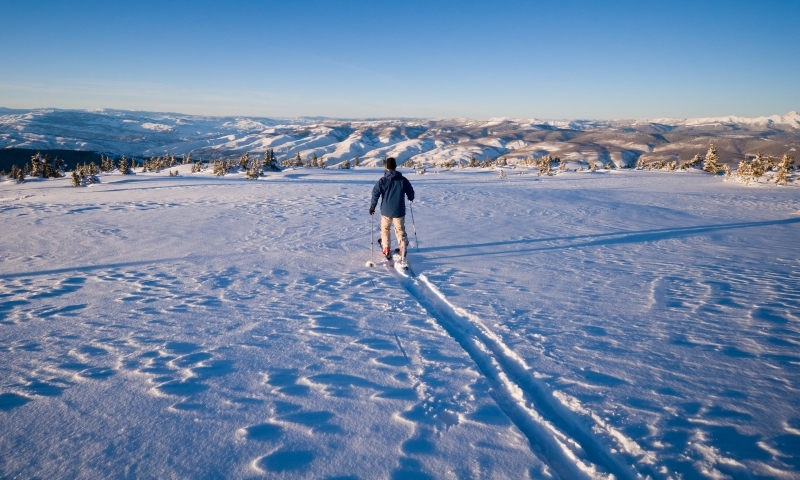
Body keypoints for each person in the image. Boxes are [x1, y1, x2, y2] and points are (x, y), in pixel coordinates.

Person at [369, 157, 415, 260]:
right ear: (395, 166)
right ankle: (402, 246)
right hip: (399, 211)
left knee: (385, 230)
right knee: (400, 230)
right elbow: (410, 191)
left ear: (387, 167)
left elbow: (375, 193)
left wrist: (373, 206)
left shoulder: (383, 181)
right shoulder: (403, 180)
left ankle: (386, 249)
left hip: (386, 211)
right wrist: (410, 197)